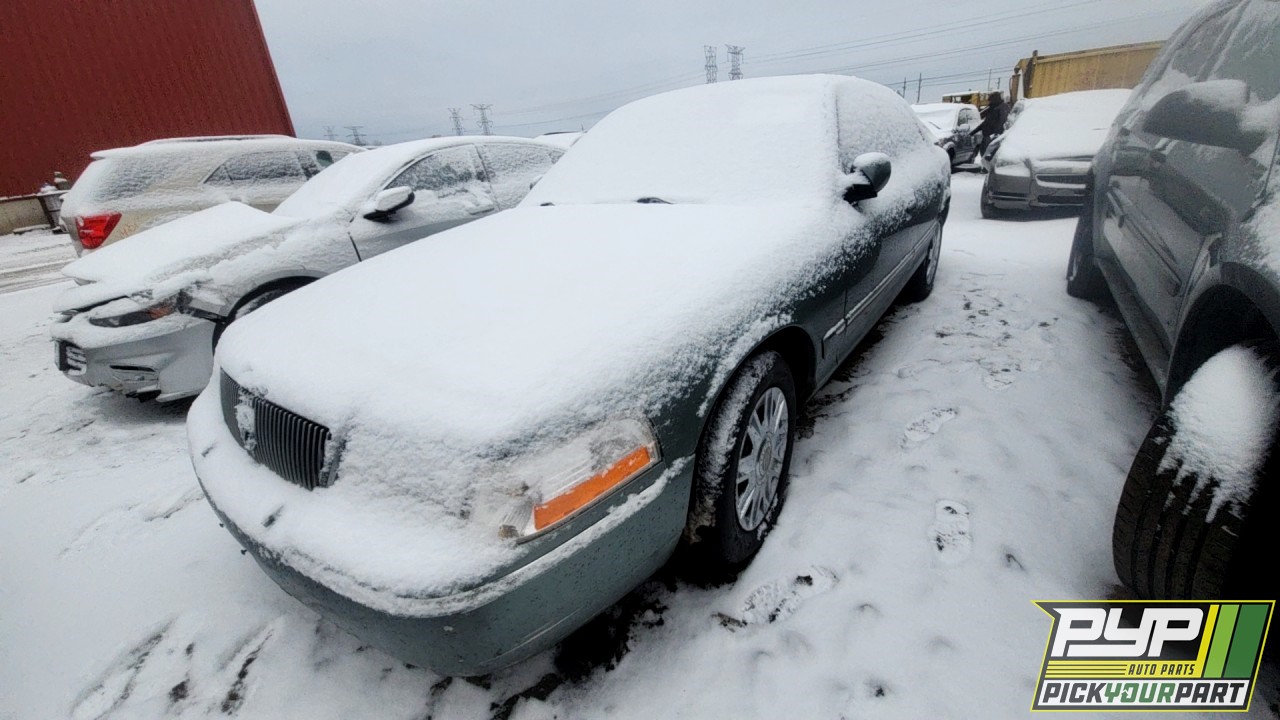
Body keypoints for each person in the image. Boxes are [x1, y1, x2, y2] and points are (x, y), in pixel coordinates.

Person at [971, 92, 1010, 160]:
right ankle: (985, 168)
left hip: (993, 137)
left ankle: (988, 169)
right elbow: (986, 123)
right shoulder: (992, 108)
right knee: (984, 154)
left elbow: (1002, 122)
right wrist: (974, 131)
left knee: (989, 156)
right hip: (986, 136)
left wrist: (995, 135)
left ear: (995, 99)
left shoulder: (1002, 108)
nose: (989, 102)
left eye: (991, 100)